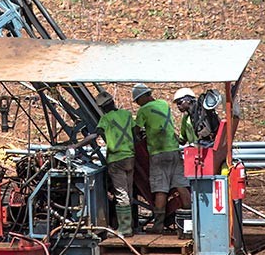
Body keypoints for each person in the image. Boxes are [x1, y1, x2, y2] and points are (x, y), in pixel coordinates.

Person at [132, 83, 191, 234]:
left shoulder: (143, 111)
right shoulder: (164, 104)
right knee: (181, 186)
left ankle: (158, 225)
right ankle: (190, 223)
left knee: (160, 189)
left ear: (143, 97)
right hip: (174, 151)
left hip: (158, 154)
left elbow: (136, 132)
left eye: (137, 100)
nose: (138, 103)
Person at [77, 91, 137, 236]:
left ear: (102, 108)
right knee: (128, 191)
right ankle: (132, 225)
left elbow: (94, 135)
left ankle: (125, 229)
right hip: (130, 157)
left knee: (121, 193)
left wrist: (76, 146)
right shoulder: (127, 114)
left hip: (116, 159)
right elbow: (135, 132)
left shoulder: (106, 118)